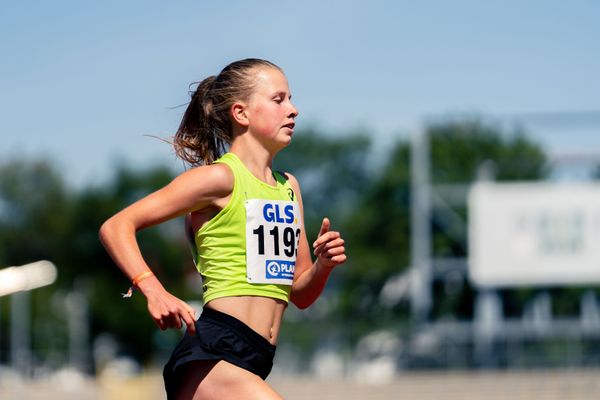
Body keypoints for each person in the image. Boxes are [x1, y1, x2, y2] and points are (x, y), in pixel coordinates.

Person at [99, 58, 347, 400]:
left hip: (257, 357)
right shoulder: (220, 178)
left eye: (291, 98)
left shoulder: (289, 186)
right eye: (279, 100)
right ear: (241, 113)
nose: (294, 110)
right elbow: (117, 226)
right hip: (214, 352)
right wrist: (153, 290)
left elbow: (300, 294)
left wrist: (324, 266)